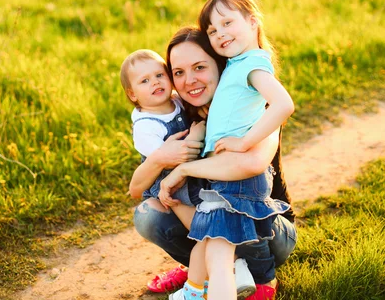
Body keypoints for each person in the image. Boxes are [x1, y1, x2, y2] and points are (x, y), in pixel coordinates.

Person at [130, 25, 297, 300]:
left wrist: (182, 168)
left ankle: (240, 272)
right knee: (148, 214)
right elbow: (136, 189)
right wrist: (161, 157)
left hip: (269, 233)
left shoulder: (256, 109)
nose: (189, 81)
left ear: (220, 66)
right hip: (213, 223)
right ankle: (202, 268)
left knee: (228, 206)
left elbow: (251, 165)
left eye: (200, 67)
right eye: (179, 72)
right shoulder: (174, 116)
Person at [120, 49, 206, 227]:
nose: (155, 82)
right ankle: (202, 239)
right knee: (199, 226)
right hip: (172, 187)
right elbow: (169, 161)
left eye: (160, 75)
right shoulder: (145, 125)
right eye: (145, 80)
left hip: (194, 175)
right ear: (132, 94)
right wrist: (195, 137)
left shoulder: (177, 100)